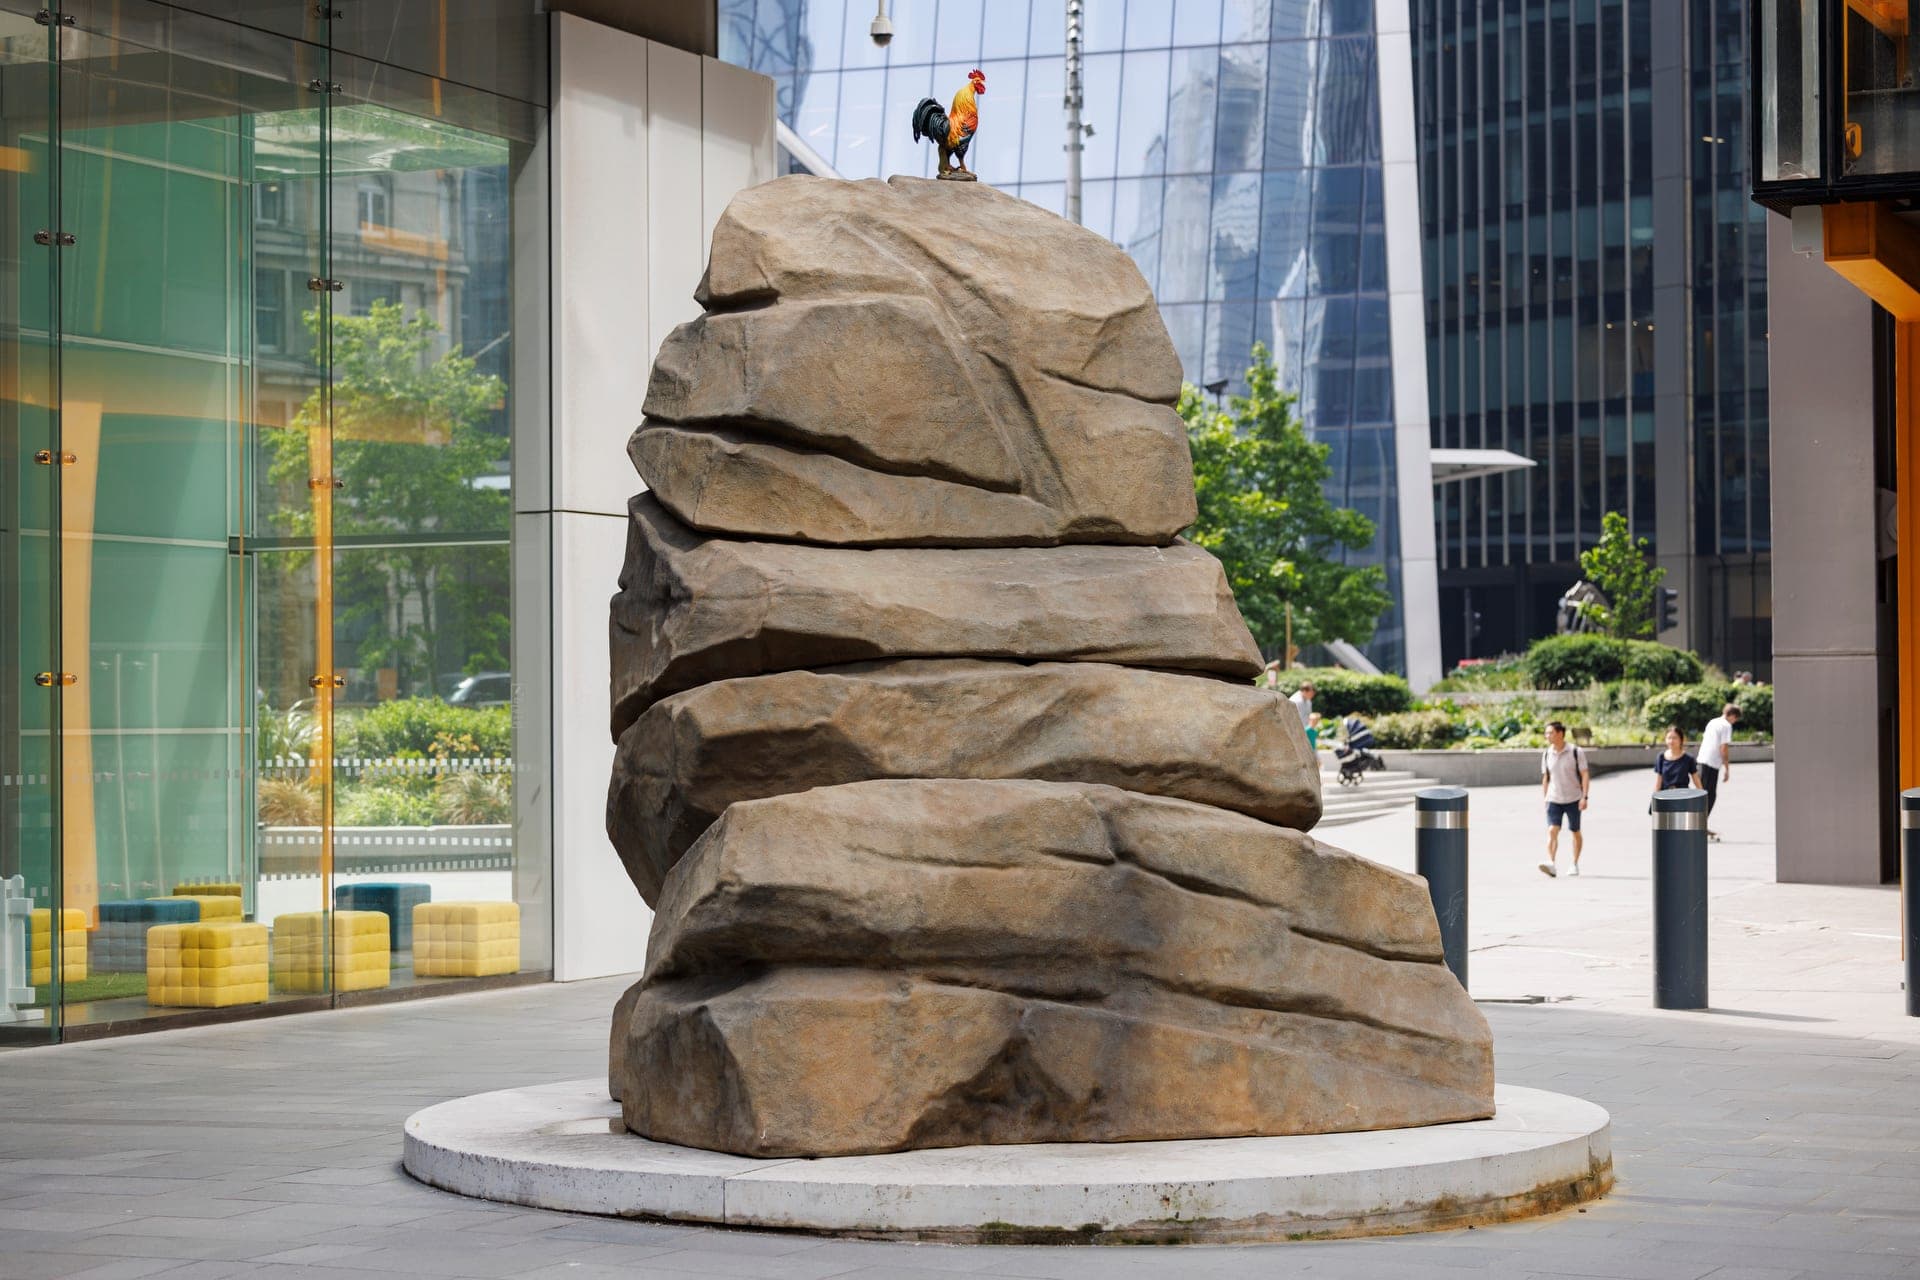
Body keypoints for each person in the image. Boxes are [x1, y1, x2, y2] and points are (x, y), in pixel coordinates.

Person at [1539, 720, 1590, 878]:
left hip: (1573, 798)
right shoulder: (1547, 753)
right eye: (1546, 733)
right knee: (1552, 830)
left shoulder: (1576, 751)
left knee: (1575, 831)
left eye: (1550, 733)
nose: (1547, 736)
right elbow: (1546, 777)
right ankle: (1551, 863)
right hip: (1554, 798)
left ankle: (1574, 863)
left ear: (1560, 733)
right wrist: (1546, 798)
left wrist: (1584, 797)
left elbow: (1585, 774)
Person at [1697, 703, 1741, 841]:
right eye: (1736, 719)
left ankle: (1699, 825)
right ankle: (1699, 827)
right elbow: (1723, 748)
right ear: (1732, 716)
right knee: (1709, 796)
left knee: (1703, 794)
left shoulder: (1713, 721)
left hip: (1702, 760)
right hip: (1711, 764)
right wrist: (1727, 768)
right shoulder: (1726, 726)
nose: (1735, 721)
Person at [1652, 724, 1701, 795]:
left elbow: (1696, 780)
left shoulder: (1688, 758)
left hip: (1682, 796)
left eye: (1675, 738)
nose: (1671, 741)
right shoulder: (1661, 757)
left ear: (1681, 740)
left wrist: (1702, 798)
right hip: (1665, 796)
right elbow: (1658, 783)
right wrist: (1654, 799)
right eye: (1669, 738)